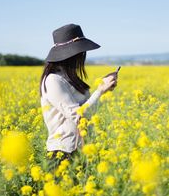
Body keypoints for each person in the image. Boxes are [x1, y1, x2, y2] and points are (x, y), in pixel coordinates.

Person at [40, 23, 118, 173]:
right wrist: (100, 91)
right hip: (62, 155)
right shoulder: (53, 80)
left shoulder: (69, 77)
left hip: (81, 152)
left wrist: (104, 90)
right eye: (81, 52)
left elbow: (87, 110)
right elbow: (79, 115)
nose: (83, 56)